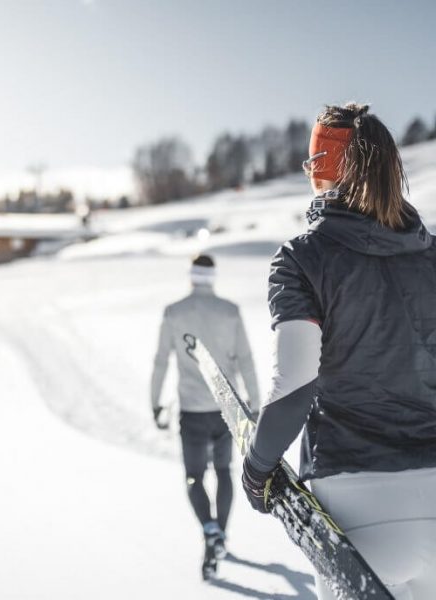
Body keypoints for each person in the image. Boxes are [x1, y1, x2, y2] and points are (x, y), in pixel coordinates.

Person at [241, 102, 436, 600]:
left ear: (325, 170)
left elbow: (297, 380)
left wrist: (258, 467)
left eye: (312, 163)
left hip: (357, 511)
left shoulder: (302, 258)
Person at [151, 254, 260, 578]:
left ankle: (209, 529)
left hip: (192, 411)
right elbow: (246, 360)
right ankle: (221, 535)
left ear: (191, 277)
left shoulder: (174, 312)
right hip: (227, 409)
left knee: (194, 477)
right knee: (224, 471)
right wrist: (254, 404)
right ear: (212, 277)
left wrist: (155, 403)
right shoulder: (230, 311)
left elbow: (161, 362)